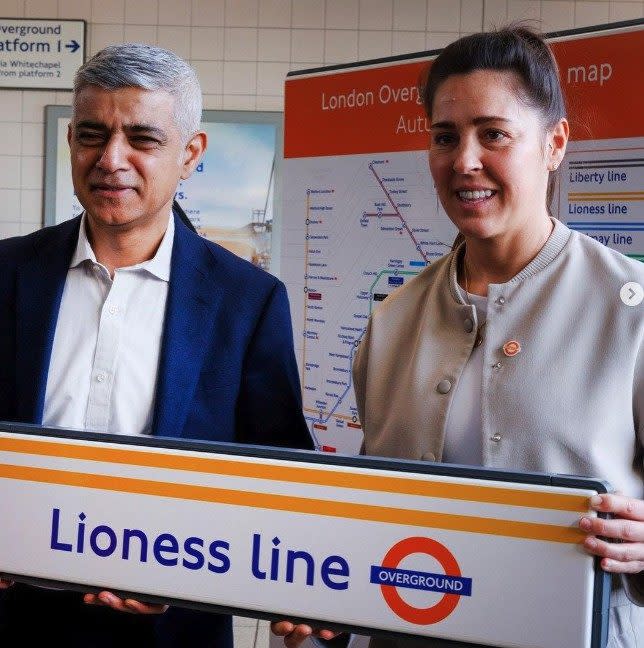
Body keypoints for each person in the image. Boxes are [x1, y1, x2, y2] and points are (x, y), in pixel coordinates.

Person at [272, 26, 643, 648]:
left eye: (493, 134)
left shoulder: (629, 309)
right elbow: (377, 502)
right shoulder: (394, 318)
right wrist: (326, 597)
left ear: (554, 143)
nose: (465, 160)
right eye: (445, 137)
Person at [0, 43, 312, 647]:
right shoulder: (7, 273)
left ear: (190, 153)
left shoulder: (248, 301)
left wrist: (190, 566)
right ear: (71, 142)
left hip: (175, 630)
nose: (110, 160)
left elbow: (276, 476)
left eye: (142, 139)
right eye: (93, 135)